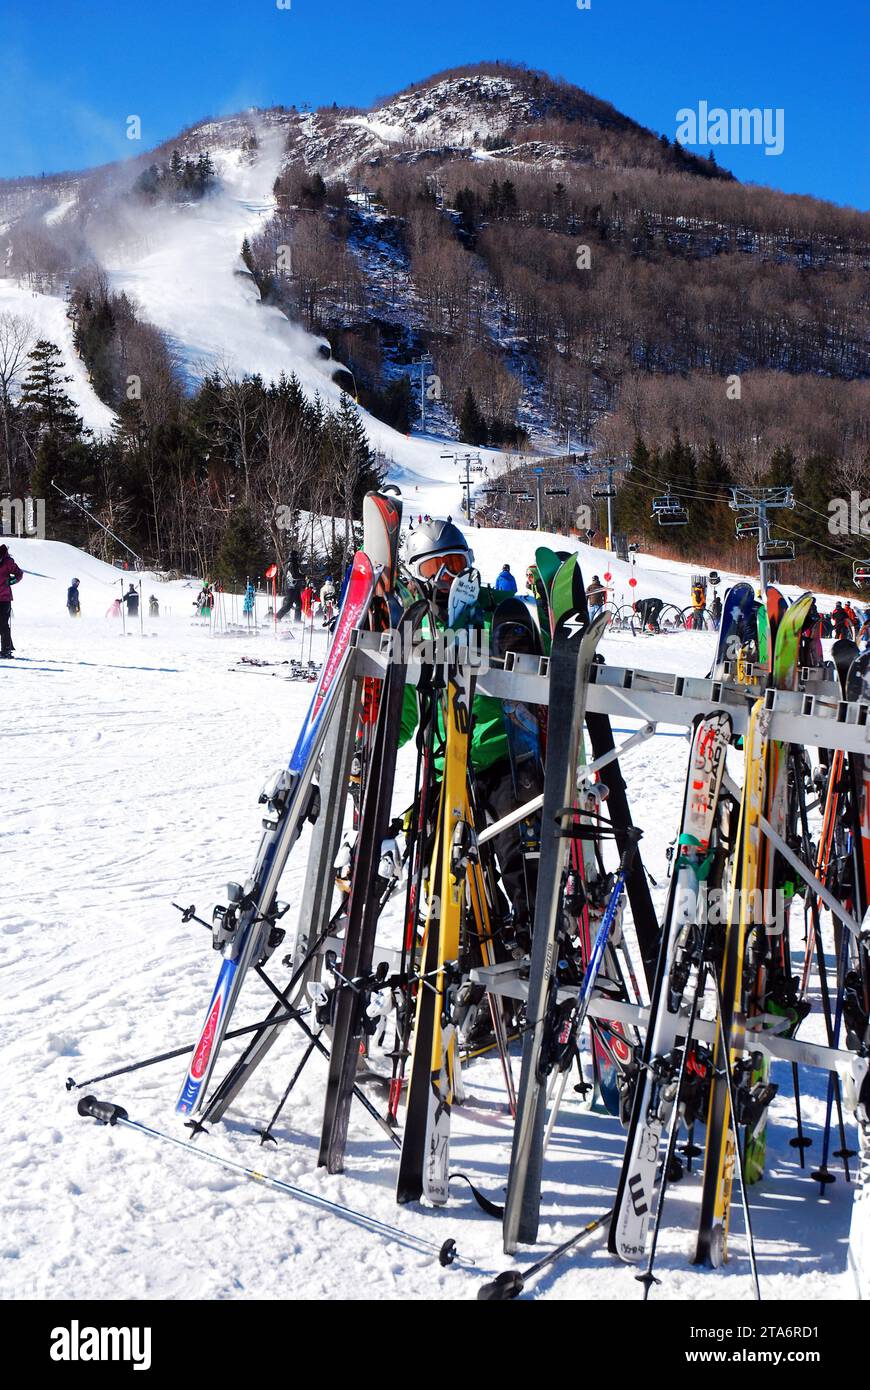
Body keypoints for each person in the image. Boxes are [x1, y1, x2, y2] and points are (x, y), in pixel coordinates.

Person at [401, 518, 538, 956]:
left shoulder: (502, 609)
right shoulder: (416, 626)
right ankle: (476, 942)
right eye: (433, 569)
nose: (445, 578)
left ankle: (534, 939)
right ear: (415, 575)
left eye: (454, 564)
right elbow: (406, 705)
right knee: (435, 857)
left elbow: (543, 683)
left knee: (517, 851)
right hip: (446, 764)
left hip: (505, 759)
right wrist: (371, 746)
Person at [0, 542, 24, 657]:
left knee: (3, 624)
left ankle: (6, 650)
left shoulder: (8, 562)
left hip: (4, 599)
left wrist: (10, 582)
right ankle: (8, 647)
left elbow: (19, 574)